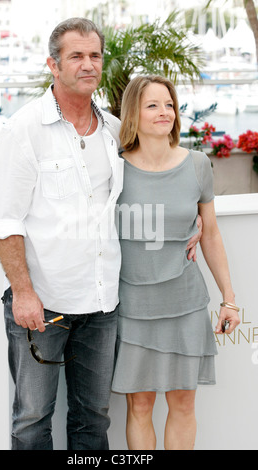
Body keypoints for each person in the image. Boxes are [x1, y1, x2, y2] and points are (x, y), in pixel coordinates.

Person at [0, 19, 200, 450]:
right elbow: (6, 221)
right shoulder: (23, 130)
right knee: (31, 419)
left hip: (103, 306)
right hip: (42, 304)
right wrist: (24, 292)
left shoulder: (111, 130)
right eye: (76, 56)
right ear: (53, 64)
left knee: (93, 419)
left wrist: (191, 222)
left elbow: (146, 182)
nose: (88, 64)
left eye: (95, 56)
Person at [111, 75, 240, 450]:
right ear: (133, 112)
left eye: (169, 104)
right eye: (152, 105)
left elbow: (211, 233)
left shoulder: (197, 164)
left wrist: (228, 297)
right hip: (132, 305)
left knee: (183, 403)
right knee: (140, 404)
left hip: (184, 303)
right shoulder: (114, 168)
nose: (164, 112)